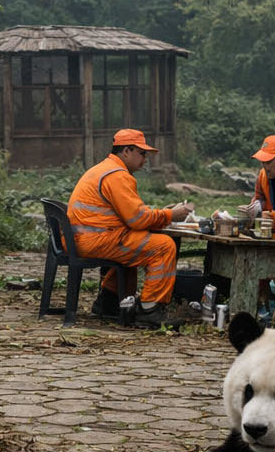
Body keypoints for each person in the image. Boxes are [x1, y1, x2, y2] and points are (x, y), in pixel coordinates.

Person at [68, 128, 194, 327]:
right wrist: (171, 215)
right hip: (96, 240)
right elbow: (137, 219)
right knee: (163, 246)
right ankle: (149, 310)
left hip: (85, 237)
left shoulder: (104, 168)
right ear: (126, 151)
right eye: (142, 153)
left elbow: (132, 216)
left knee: (137, 246)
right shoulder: (118, 175)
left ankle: (109, 302)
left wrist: (161, 214)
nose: (145, 159)